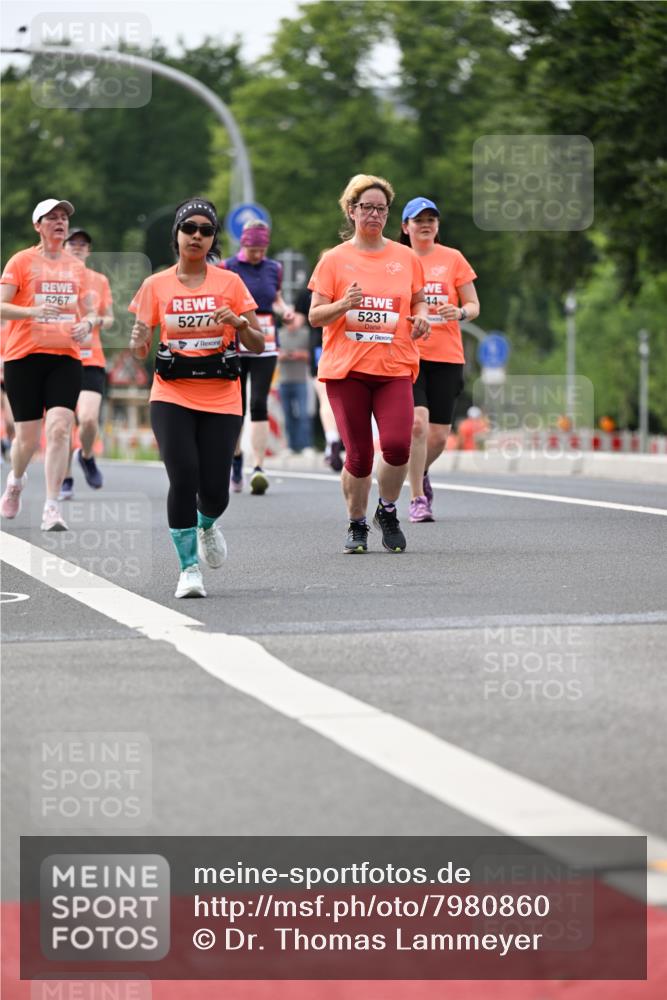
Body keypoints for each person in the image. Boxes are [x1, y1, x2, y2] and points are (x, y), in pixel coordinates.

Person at [129, 197, 263, 599]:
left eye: (206, 231)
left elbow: (256, 343)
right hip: (171, 393)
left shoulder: (230, 284)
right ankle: (188, 569)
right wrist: (137, 342)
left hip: (222, 395)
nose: (198, 236)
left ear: (213, 239)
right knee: (183, 475)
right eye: (191, 229)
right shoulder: (156, 285)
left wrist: (239, 323)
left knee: (216, 490)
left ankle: (206, 525)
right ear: (178, 235)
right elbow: (139, 350)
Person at [308, 174, 430, 554]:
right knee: (359, 456)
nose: (374, 214)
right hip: (348, 371)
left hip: (394, 365)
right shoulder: (334, 260)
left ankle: (387, 510)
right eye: (367, 208)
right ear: (352, 211)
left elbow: (418, 300)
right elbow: (314, 316)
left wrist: (422, 316)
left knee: (397, 446)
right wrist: (343, 305)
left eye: (381, 208)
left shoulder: (405, 257)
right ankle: (357, 523)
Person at [0, 198, 95, 530]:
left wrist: (89, 324)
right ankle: (15, 480)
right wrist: (31, 312)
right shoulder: (21, 262)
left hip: (65, 358)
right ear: (37, 225)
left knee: (58, 429)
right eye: (52, 217)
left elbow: (91, 309)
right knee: (26, 439)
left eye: (64, 218)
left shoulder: (76, 267)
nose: (60, 222)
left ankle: (52, 507)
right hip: (23, 358)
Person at [399, 197, 480, 522]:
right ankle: (417, 496)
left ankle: (420, 472)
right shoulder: (396, 260)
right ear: (405, 227)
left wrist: (459, 312)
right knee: (417, 424)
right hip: (409, 355)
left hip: (447, 355)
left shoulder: (453, 259)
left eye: (432, 219)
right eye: (419, 220)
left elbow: (474, 305)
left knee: (439, 435)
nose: (426, 224)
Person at [221, 220, 293, 495]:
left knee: (259, 402)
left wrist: (284, 310)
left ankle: (259, 467)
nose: (258, 254)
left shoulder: (274, 268)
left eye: (262, 249)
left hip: (267, 340)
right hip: (237, 341)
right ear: (243, 244)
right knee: (236, 406)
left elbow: (275, 297)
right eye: (253, 249)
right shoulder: (228, 267)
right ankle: (236, 457)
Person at [59, 228, 115, 500]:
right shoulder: (53, 277)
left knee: (89, 418)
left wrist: (93, 321)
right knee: (64, 422)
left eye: (84, 244)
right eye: (74, 242)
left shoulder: (99, 280)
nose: (79, 247)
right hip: (59, 357)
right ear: (64, 246)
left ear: (89, 251)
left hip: (91, 358)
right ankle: (65, 478)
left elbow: (111, 318)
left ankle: (87, 454)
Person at [294, 287, 344, 471]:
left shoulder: (309, 291)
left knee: (325, 398)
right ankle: (343, 440)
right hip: (347, 343)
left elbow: (295, 323)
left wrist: (281, 312)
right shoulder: (352, 282)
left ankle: (332, 440)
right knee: (347, 396)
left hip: (320, 345)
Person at [277, 313, 313, 454]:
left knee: (304, 414)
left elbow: (313, 354)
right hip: (284, 381)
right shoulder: (279, 334)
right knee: (287, 415)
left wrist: (300, 354)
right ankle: (291, 446)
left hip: (301, 380)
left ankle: (306, 445)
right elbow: (274, 354)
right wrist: (284, 355)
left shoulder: (305, 334)